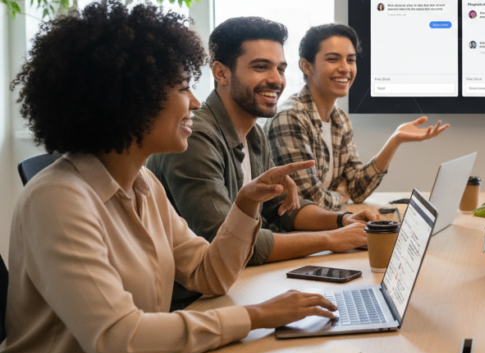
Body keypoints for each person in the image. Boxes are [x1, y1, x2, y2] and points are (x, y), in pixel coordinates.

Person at [0, 0, 336, 353]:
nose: (195, 103)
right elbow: (117, 338)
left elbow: (208, 274)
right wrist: (256, 316)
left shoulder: (144, 184)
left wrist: (246, 203)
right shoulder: (58, 197)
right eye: (182, 89)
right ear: (130, 99)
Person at [147, 17, 377, 306]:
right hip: (192, 303)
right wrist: (331, 239)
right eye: (260, 67)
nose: (276, 79)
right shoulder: (195, 139)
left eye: (280, 68)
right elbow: (232, 243)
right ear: (221, 73)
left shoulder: (254, 134)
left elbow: (280, 209)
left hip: (234, 288)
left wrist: (343, 220)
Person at [267, 24, 449, 210]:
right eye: (333, 59)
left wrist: (395, 139)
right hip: (293, 234)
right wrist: (340, 197)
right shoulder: (290, 118)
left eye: (351, 60)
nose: (345, 68)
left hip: (325, 226)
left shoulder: (340, 119)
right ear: (307, 66)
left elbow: (357, 190)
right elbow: (309, 201)